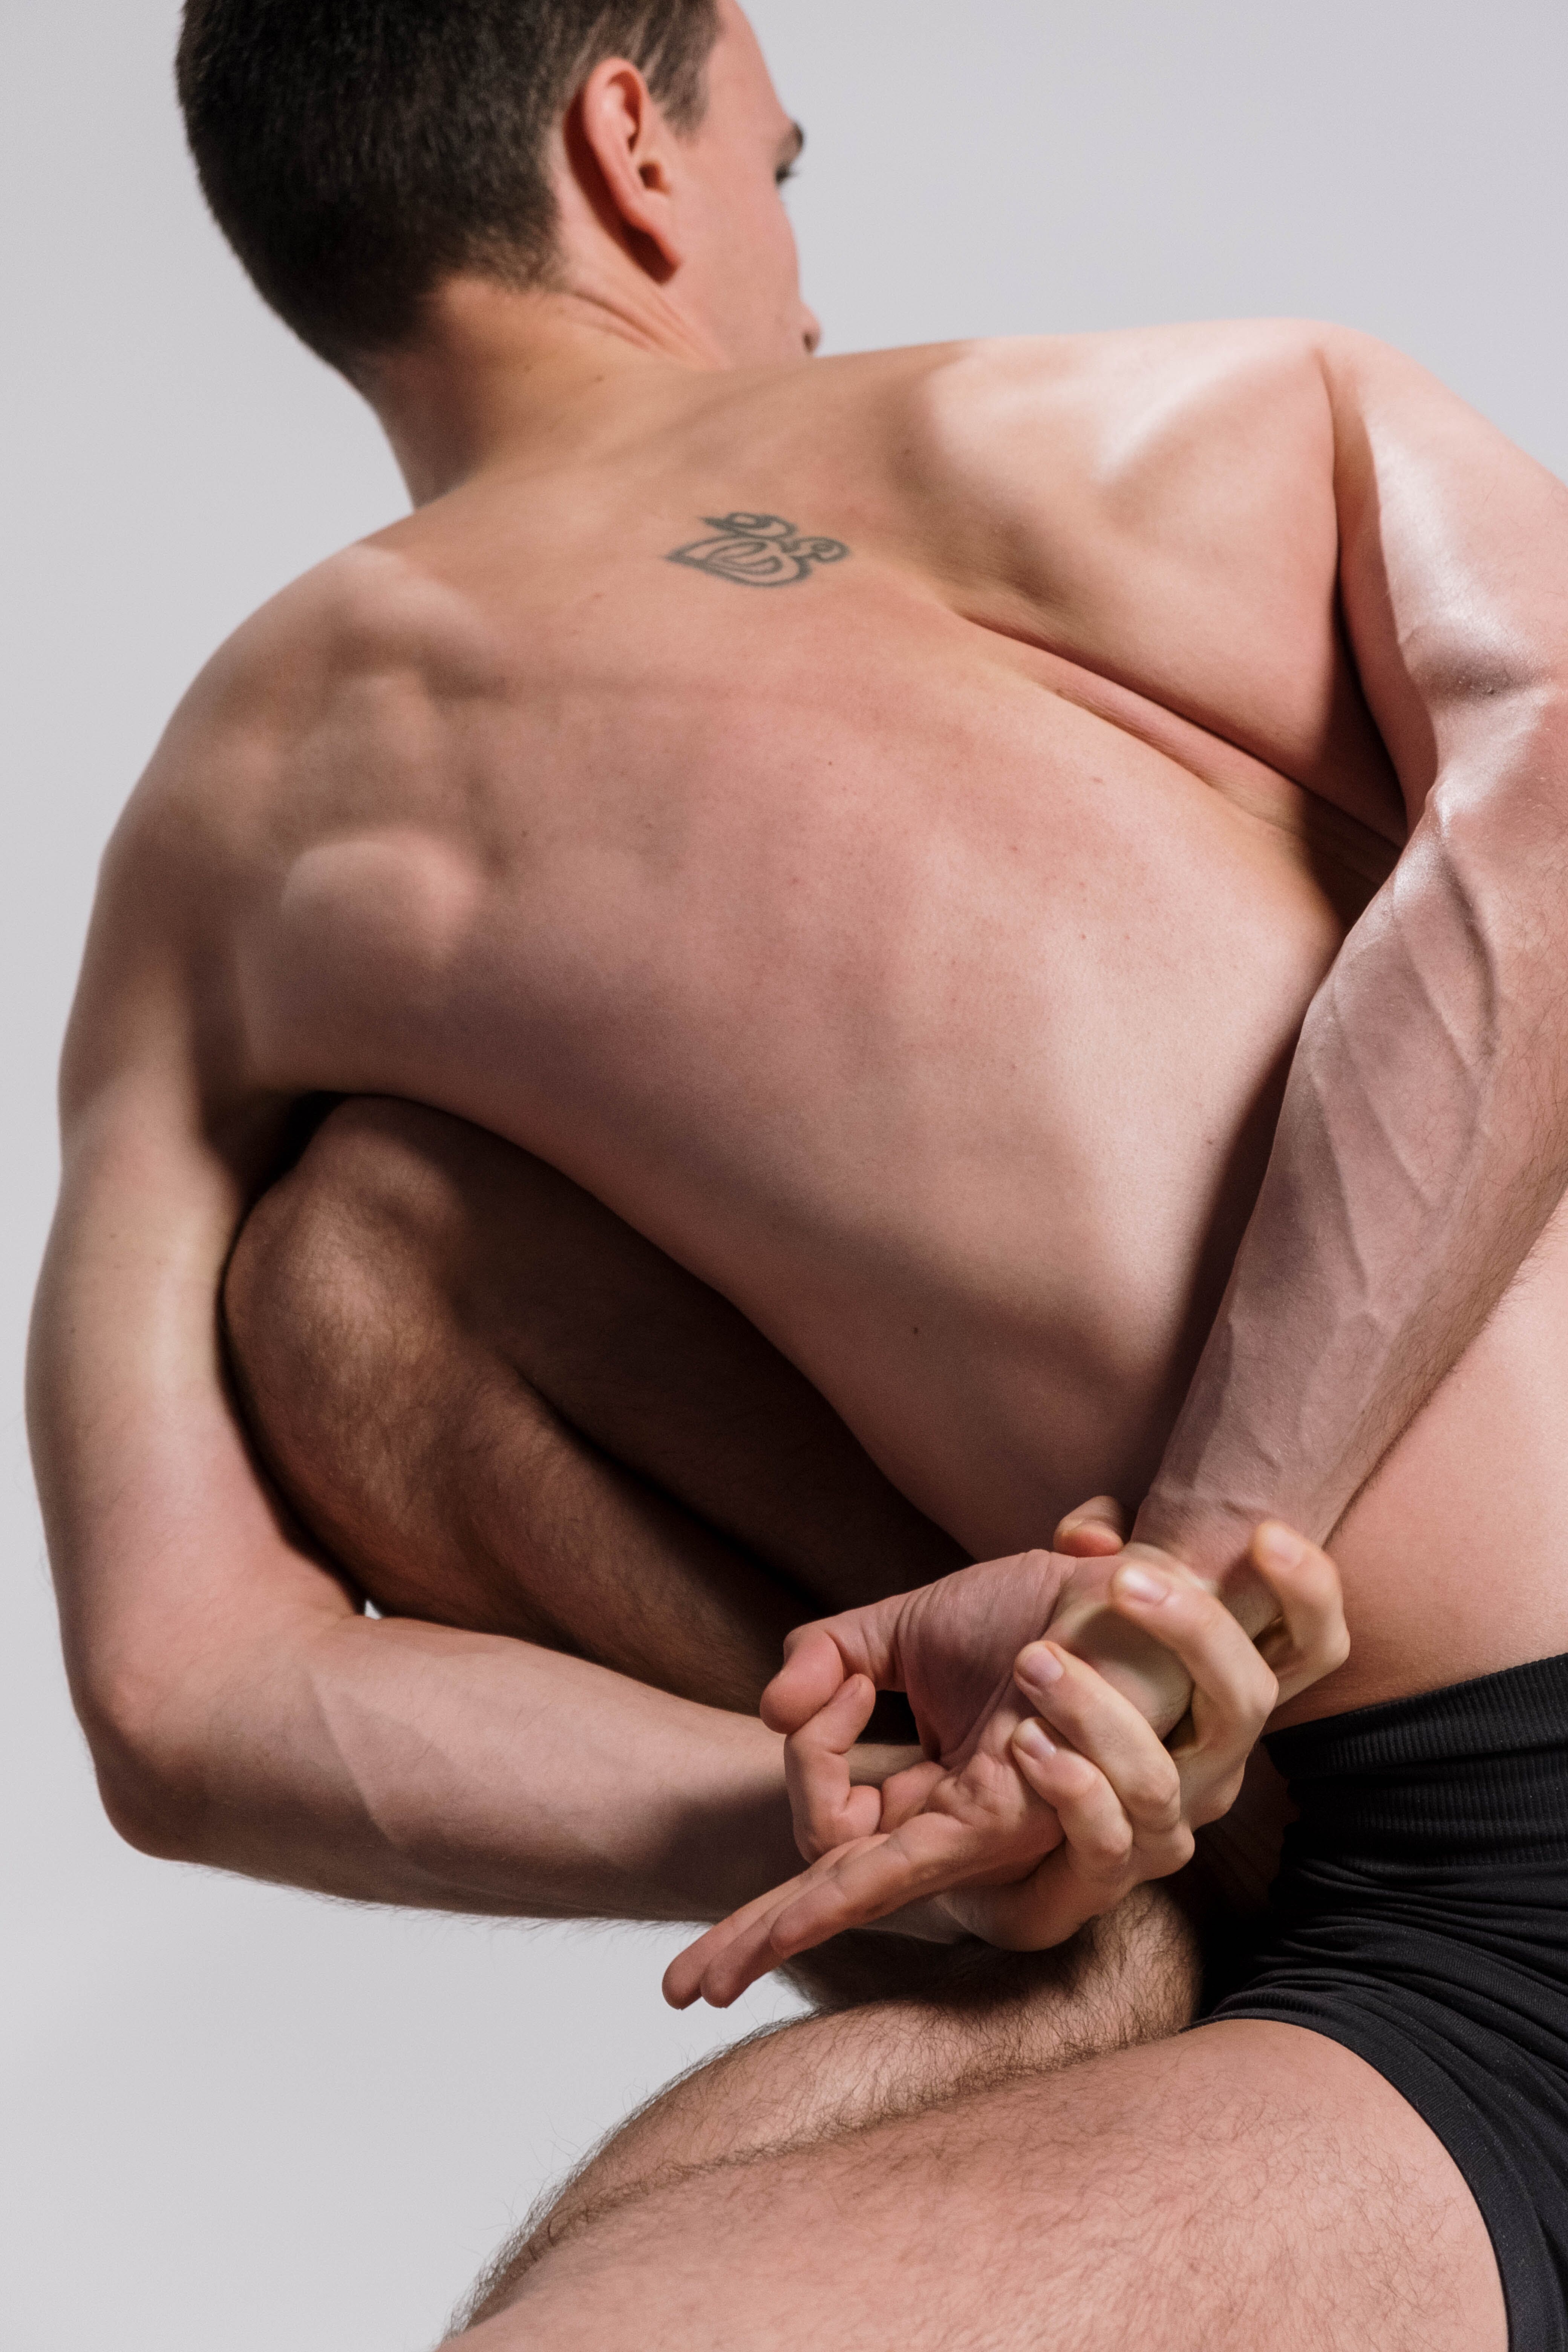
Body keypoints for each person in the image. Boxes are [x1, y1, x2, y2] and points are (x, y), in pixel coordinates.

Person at [26, 0, 1568, 2343]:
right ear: (627, 148)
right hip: (1336, 1918)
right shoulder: (1175, 422)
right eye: (785, 164)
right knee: (363, 1269)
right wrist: (895, 1810)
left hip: (1408, 1863)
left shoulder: (222, 831)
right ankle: (1086, 1938)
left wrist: (1156, 1607)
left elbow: (182, 1682)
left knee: (345, 1258)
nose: (806, 277)